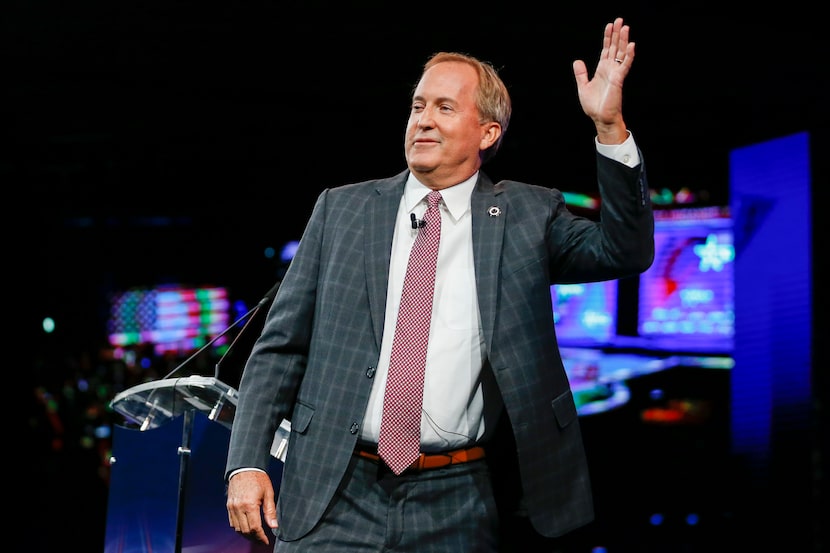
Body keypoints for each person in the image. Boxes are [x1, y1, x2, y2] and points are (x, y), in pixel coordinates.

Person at [225, 16, 653, 553]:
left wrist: (609, 127)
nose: (423, 120)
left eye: (445, 108)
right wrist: (246, 461)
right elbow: (279, 349)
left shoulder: (528, 214)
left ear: (488, 133)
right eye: (418, 106)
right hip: (332, 487)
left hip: (458, 497)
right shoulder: (342, 209)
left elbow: (626, 250)